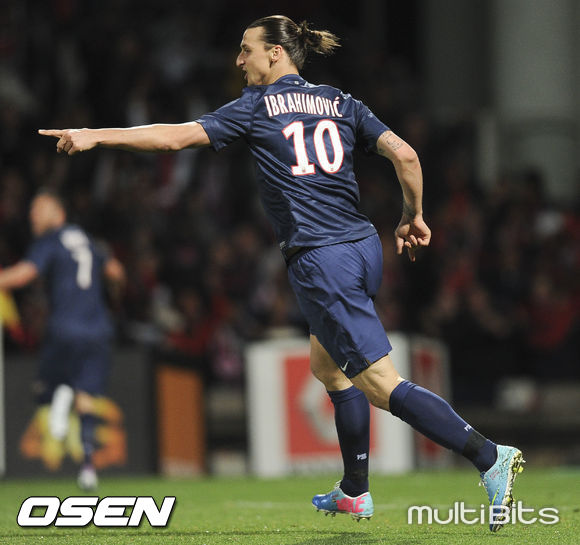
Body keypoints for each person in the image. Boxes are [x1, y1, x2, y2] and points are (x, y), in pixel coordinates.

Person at [39, 15, 523, 531]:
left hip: (321, 259)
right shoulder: (341, 101)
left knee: (380, 384)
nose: (239, 60)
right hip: (363, 247)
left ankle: (489, 456)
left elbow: (173, 139)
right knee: (329, 368)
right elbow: (405, 155)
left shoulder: (256, 107)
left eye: (246, 50)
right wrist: (412, 215)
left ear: (276, 53)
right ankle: (354, 491)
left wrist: (95, 136)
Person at [0, 189, 125, 490]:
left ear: (58, 212)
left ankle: (60, 392)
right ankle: (88, 468)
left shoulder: (51, 240)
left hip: (64, 328)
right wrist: (112, 298)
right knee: (87, 396)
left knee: (44, 390)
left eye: (39, 208)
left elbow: (25, 274)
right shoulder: (88, 240)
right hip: (98, 329)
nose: (32, 215)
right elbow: (116, 272)